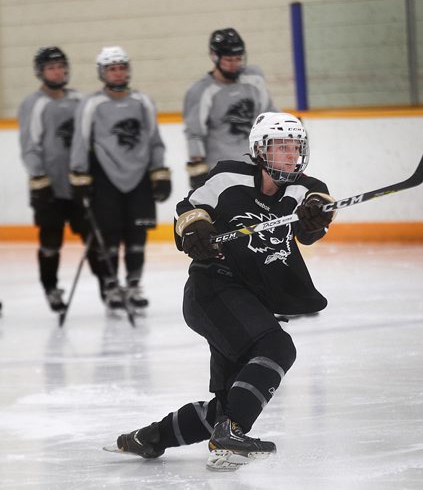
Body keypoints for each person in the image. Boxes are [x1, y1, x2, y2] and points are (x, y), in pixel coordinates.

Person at [110, 112, 336, 471]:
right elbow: (189, 210)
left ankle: (152, 437)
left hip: (250, 299)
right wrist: (195, 229)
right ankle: (230, 432)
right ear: (260, 152)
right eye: (280, 148)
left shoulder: (304, 189)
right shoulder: (229, 175)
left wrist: (317, 213)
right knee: (277, 347)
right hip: (212, 288)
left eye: (295, 149)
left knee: (231, 399)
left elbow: (316, 211)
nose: (289, 157)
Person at [69, 46, 171, 310]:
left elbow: (154, 139)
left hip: (139, 177)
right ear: (102, 73)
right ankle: (111, 286)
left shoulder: (142, 101)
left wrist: (159, 172)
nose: (117, 73)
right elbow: (80, 141)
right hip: (105, 178)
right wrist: (79, 175)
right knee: (109, 234)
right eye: (112, 69)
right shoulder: (92, 104)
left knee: (138, 233)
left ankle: (134, 283)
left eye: (121, 67)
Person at [18, 46, 100, 313]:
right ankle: (51, 288)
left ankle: (108, 285)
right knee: (51, 241)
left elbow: (92, 139)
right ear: (40, 72)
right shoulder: (34, 104)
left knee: (94, 239)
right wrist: (38, 178)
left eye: (61, 66)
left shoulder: (80, 99)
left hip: (78, 184)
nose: (58, 71)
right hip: (50, 188)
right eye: (51, 67)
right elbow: (30, 146)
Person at [183, 28, 278, 189]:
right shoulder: (200, 91)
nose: (234, 64)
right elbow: (194, 134)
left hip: (258, 166)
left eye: (238, 58)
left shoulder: (254, 78)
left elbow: (269, 113)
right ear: (215, 56)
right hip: (222, 173)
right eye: (228, 59)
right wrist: (197, 169)